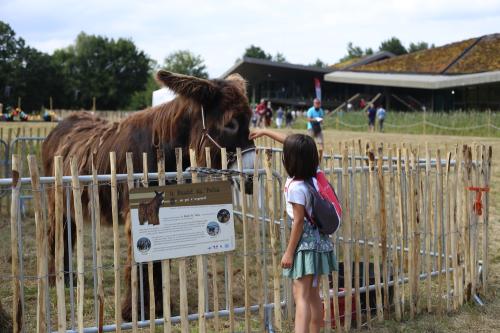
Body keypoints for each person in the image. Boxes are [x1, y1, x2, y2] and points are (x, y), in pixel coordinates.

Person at [249, 129, 336, 333]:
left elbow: (298, 222)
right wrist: (265, 132)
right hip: (320, 242)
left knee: (301, 295)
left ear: (291, 159)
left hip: (304, 244)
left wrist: (289, 252)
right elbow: (291, 142)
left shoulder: (297, 187)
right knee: (313, 294)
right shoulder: (314, 173)